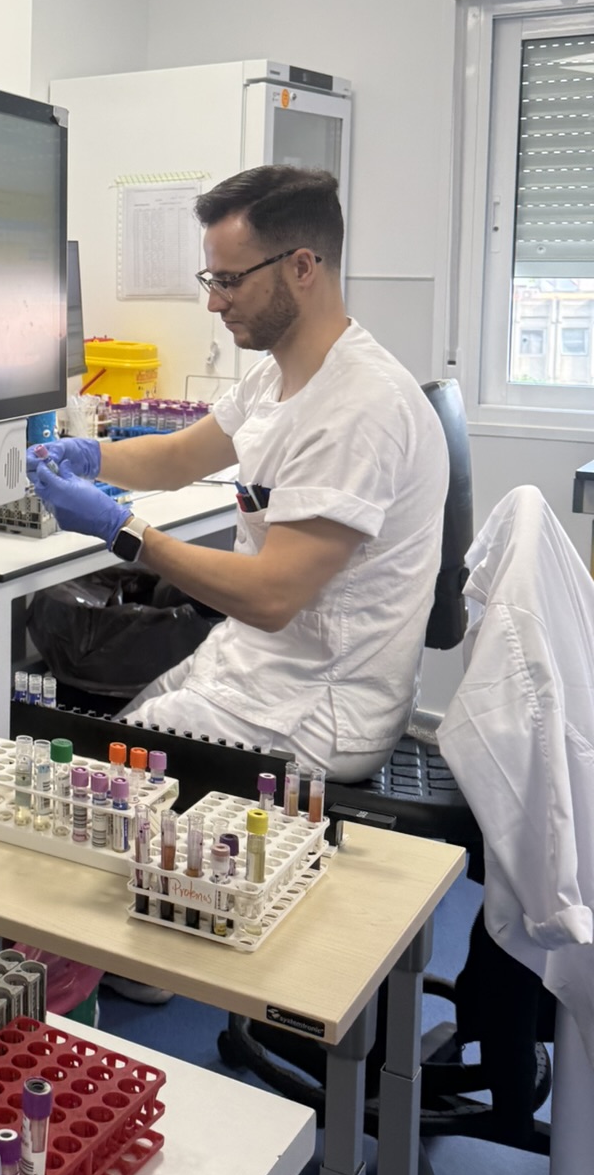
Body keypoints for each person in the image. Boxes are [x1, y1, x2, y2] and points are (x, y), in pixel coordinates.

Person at [28, 165, 449, 782]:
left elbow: (270, 598)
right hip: (260, 669)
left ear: (301, 268)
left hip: (316, 711)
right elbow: (179, 457)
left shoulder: (360, 408)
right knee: (113, 735)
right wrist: (88, 455)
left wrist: (124, 531)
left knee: (91, 783)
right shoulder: (282, 371)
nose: (214, 301)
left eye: (229, 281)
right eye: (212, 279)